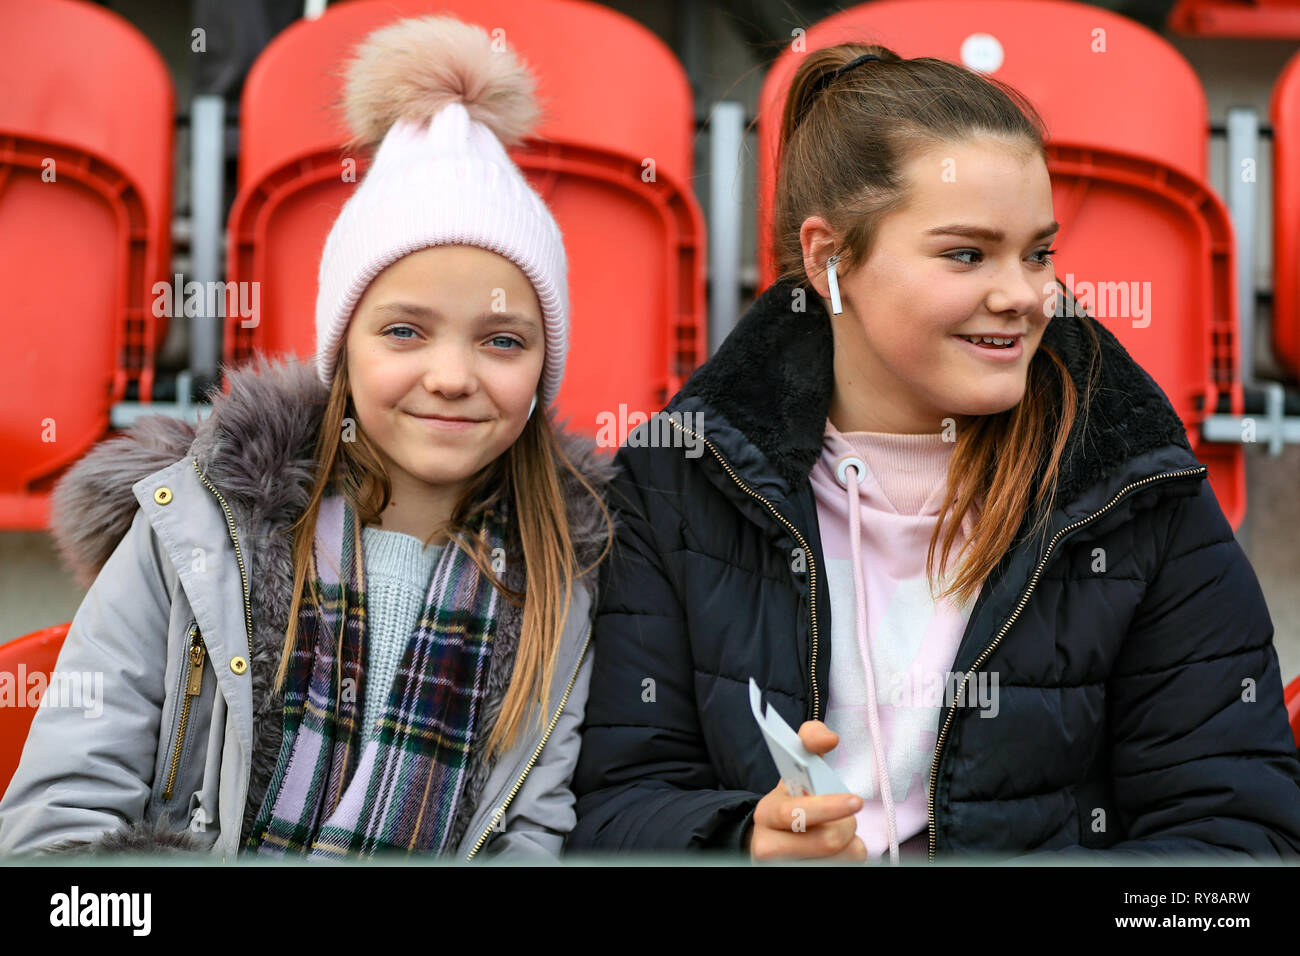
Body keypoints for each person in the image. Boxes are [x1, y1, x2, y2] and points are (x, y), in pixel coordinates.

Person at [566, 44, 1300, 863]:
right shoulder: (679, 483)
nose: (1023, 295)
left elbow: (1240, 849)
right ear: (828, 257)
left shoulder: (1135, 488)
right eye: (966, 253)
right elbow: (610, 812)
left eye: (1038, 253)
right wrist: (743, 845)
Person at [0, 14, 613, 861]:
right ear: (342, 350)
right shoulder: (196, 529)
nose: (451, 375)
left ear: (546, 367)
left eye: (503, 340)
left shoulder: (565, 582)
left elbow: (532, 835)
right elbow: (56, 829)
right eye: (404, 332)